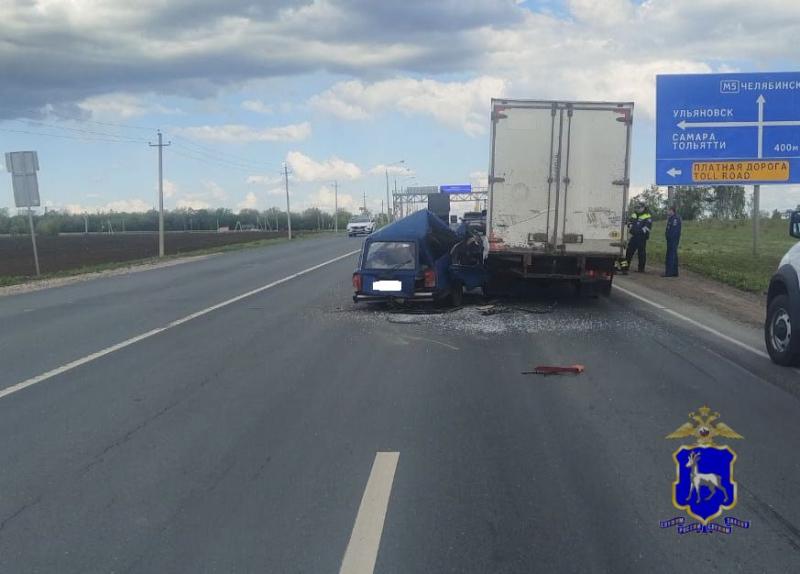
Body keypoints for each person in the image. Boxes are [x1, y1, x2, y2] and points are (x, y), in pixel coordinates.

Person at [624, 203, 652, 273]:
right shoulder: (634, 214)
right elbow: (629, 222)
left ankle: (641, 269)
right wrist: (630, 226)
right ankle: (624, 268)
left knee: (641, 254)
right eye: (637, 207)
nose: (637, 209)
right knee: (628, 252)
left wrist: (638, 231)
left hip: (642, 237)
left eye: (639, 208)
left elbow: (647, 227)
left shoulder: (647, 216)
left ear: (643, 208)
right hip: (634, 236)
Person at [662, 205, 682, 277]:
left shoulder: (675, 219)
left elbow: (674, 231)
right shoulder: (671, 218)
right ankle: (674, 272)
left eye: (668, 210)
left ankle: (669, 272)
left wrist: (670, 237)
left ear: (671, 210)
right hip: (670, 239)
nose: (667, 212)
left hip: (673, 240)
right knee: (673, 255)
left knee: (670, 255)